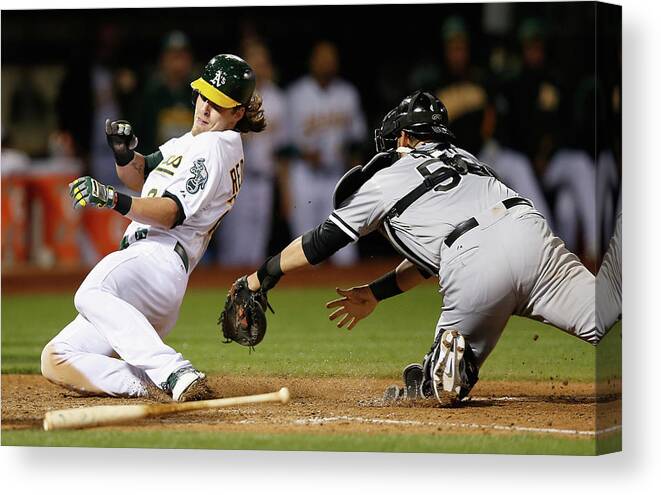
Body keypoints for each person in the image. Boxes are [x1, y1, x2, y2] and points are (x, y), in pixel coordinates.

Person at [241, 91, 618, 406]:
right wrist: (376, 292)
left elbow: (323, 241)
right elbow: (429, 261)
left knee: (437, 389)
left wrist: (264, 274)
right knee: (603, 313)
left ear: (404, 138)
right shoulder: (470, 161)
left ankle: (447, 363)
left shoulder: (387, 176)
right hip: (531, 234)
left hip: (474, 262)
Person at [40, 54, 266, 401]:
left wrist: (112, 199)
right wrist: (123, 154)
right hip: (148, 274)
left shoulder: (215, 145)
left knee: (90, 292)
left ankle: (174, 371)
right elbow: (141, 174)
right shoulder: (193, 142)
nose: (205, 108)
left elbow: (170, 212)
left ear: (238, 113)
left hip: (158, 259)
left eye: (217, 104)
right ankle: (145, 384)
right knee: (56, 358)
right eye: (204, 96)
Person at [286, 40, 367, 266]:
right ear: (312, 61)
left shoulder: (347, 93)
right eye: (322, 58)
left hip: (337, 176)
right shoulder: (296, 94)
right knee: (304, 249)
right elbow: (284, 145)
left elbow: (356, 142)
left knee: (346, 251)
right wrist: (302, 154)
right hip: (304, 175)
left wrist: (358, 183)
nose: (327, 63)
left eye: (331, 58)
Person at [215, 41, 290, 266]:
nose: (259, 66)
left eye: (262, 61)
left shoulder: (278, 99)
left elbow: (283, 150)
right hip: (236, 181)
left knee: (257, 249)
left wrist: (285, 190)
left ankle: (245, 295)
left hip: (264, 180)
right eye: (253, 61)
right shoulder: (232, 96)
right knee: (233, 249)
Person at [137, 31, 196, 153]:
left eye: (182, 57)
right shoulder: (151, 96)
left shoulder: (198, 95)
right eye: (173, 57)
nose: (178, 63)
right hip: (159, 164)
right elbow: (142, 137)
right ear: (163, 60)